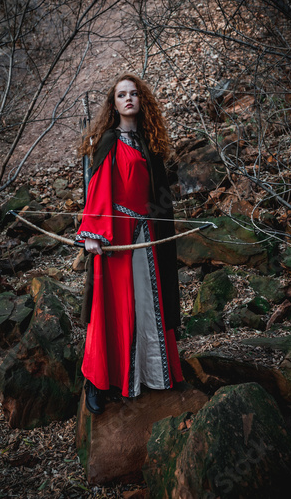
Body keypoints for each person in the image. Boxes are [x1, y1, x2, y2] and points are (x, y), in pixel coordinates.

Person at [76, 73, 183, 415]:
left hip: (148, 238)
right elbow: (98, 191)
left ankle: (152, 373)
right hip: (116, 239)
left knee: (148, 304)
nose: (128, 99)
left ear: (141, 100)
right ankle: (97, 381)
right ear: (114, 103)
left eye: (134, 93)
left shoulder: (149, 145)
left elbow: (159, 195)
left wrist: (160, 223)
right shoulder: (108, 142)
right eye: (121, 94)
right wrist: (93, 234)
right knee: (111, 308)